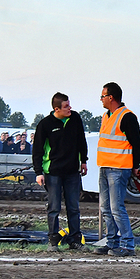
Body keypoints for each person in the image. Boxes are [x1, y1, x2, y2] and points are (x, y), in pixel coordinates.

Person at [32, 92, 89, 252]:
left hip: (72, 171)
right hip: (53, 172)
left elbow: (81, 140)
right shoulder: (45, 124)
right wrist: (39, 172)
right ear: (56, 109)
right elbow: (37, 150)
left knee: (73, 207)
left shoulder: (75, 119)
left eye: (69, 105)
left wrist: (83, 160)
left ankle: (75, 240)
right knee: (54, 207)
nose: (69, 108)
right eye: (66, 106)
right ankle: (53, 240)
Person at [94, 82, 140, 257]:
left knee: (116, 208)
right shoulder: (106, 116)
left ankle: (127, 245)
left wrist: (136, 166)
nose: (101, 99)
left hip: (118, 168)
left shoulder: (127, 117)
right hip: (105, 167)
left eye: (102, 96)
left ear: (111, 97)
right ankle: (112, 243)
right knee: (105, 208)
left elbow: (138, 143)